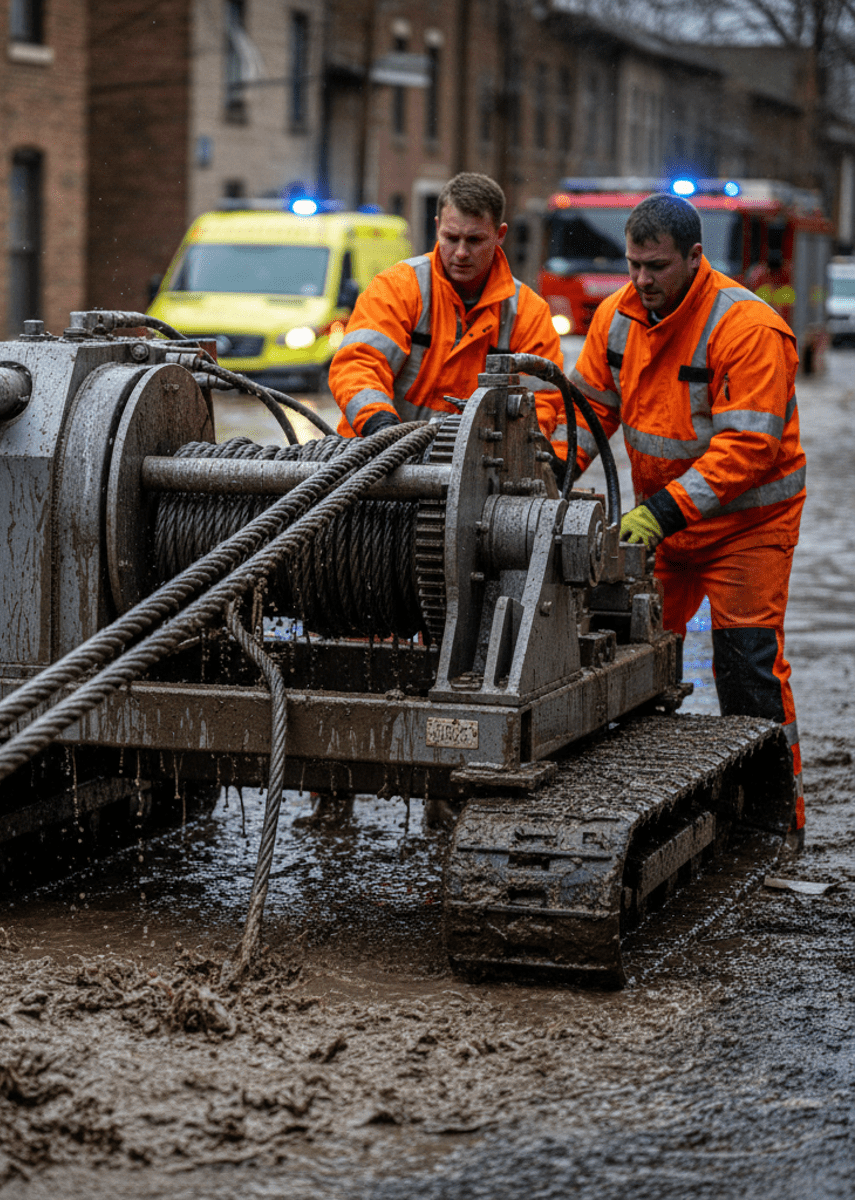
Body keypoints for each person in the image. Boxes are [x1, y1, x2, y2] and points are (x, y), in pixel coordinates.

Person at [547, 192, 807, 849]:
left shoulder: (747, 326)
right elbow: (590, 418)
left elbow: (750, 448)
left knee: (746, 665)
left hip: (748, 525)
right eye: (633, 264)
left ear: (696, 258)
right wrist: (546, 475)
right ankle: (643, 804)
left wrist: (661, 510)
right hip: (666, 523)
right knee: (628, 654)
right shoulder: (616, 319)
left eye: (655, 266)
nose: (641, 280)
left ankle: (770, 820)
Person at [328, 172, 563, 437]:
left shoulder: (528, 314)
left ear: (500, 235)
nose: (461, 253)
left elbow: (542, 402)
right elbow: (358, 364)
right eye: (451, 238)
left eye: (474, 240)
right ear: (438, 226)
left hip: (476, 467)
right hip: (374, 450)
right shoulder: (398, 287)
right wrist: (379, 423)